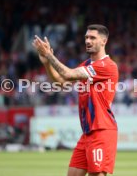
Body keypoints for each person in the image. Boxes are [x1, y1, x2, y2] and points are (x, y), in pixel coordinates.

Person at [32, 24, 119, 176]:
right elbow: (61, 82)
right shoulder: (86, 65)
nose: (88, 41)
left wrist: (50, 55)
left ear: (104, 41)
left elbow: (68, 74)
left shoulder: (107, 66)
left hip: (101, 130)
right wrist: (46, 63)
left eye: (93, 38)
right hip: (87, 133)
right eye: (86, 37)